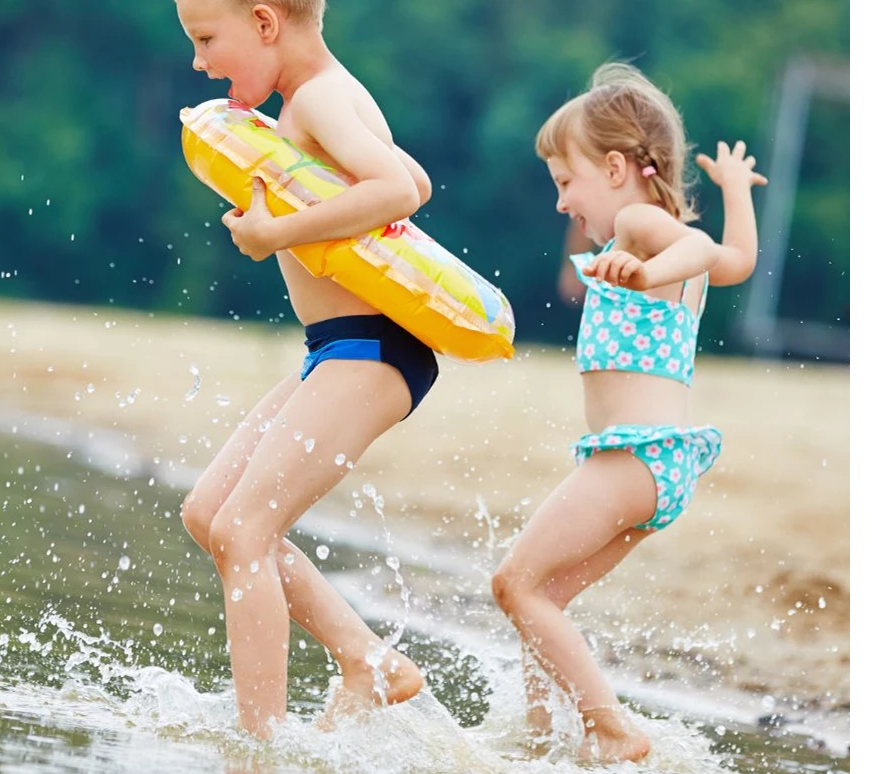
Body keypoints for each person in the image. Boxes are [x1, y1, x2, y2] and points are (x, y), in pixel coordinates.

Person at [173, 0, 438, 739]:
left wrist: (272, 234)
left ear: (264, 23)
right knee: (209, 514)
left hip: (372, 348)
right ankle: (367, 661)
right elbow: (405, 168)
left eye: (204, 39)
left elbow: (400, 189)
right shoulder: (321, 100)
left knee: (247, 530)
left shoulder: (320, 96)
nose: (198, 61)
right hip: (338, 349)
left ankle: (258, 745)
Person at [490, 61, 768, 763]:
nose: (560, 204)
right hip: (658, 467)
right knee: (543, 596)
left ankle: (607, 728)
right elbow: (731, 255)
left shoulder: (645, 230)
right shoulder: (651, 236)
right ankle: (542, 737)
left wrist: (645, 271)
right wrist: (735, 191)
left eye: (565, 182)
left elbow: (697, 249)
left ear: (616, 168)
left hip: (633, 458)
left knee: (512, 584)